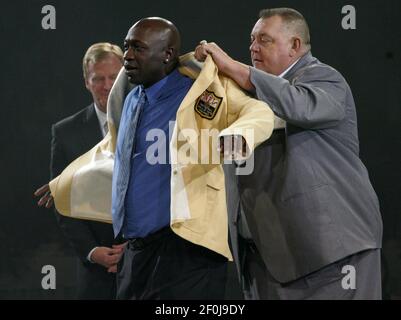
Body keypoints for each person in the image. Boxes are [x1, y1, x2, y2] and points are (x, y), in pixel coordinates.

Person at [40, 17, 275, 300]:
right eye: (127, 47)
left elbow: (259, 112)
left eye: (138, 48)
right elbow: (115, 152)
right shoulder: (130, 99)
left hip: (188, 250)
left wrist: (241, 134)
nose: (127, 56)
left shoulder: (203, 87)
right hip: (136, 250)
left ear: (166, 54)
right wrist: (68, 181)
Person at [195, 7, 383, 299]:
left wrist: (236, 68)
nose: (253, 47)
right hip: (267, 258)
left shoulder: (323, 79)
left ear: (295, 46)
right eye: (252, 39)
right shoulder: (245, 93)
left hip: (331, 255)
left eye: (264, 40)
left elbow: (299, 105)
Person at [35, 43, 125, 299]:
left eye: (114, 77)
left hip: (146, 265)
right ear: (87, 81)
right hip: (94, 273)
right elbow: (62, 204)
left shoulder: (151, 128)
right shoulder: (65, 133)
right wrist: (92, 251)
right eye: (98, 79)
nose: (107, 86)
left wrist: (134, 249)